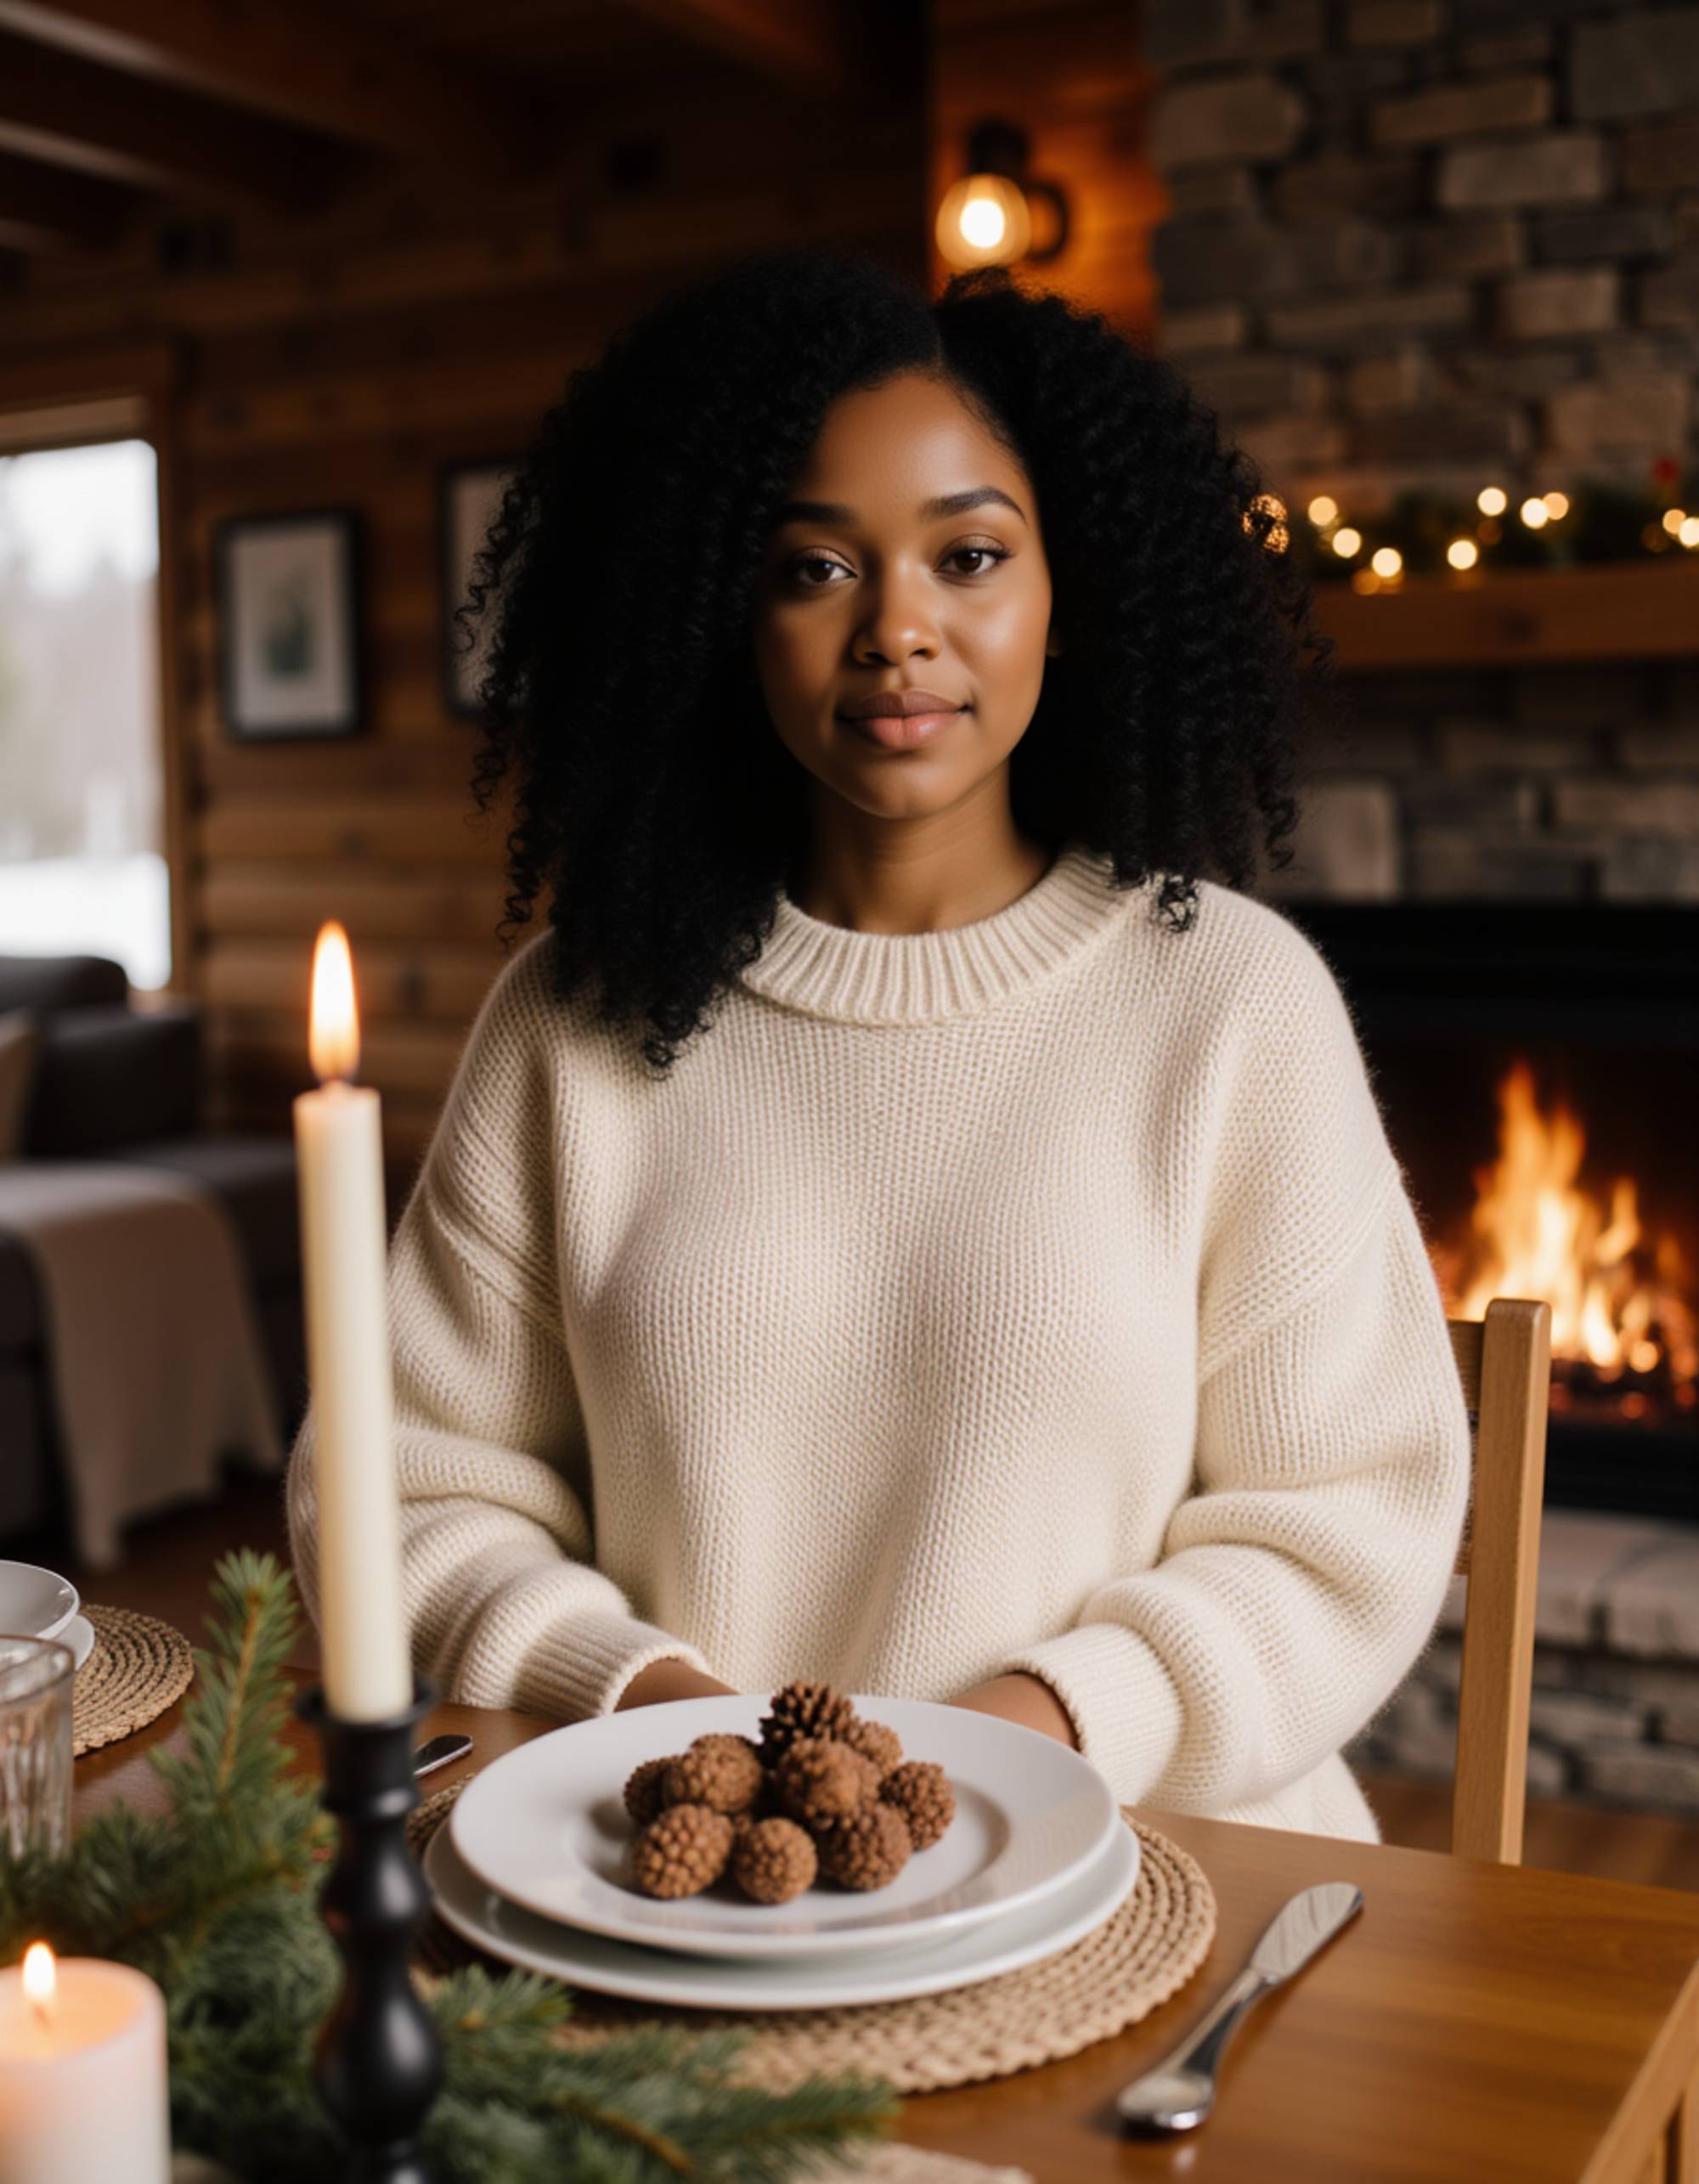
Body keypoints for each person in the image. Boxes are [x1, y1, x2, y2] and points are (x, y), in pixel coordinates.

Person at [285, 245, 1470, 1843]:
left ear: (1075, 587)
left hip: (1170, 1873)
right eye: (814, 568)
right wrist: (651, 1709)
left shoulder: (1231, 1008)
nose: (896, 630)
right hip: (683, 1882)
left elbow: (1348, 1520)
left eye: (969, 556)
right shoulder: (574, 1021)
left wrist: (1024, 1735)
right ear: (719, 612)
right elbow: (412, 1485)